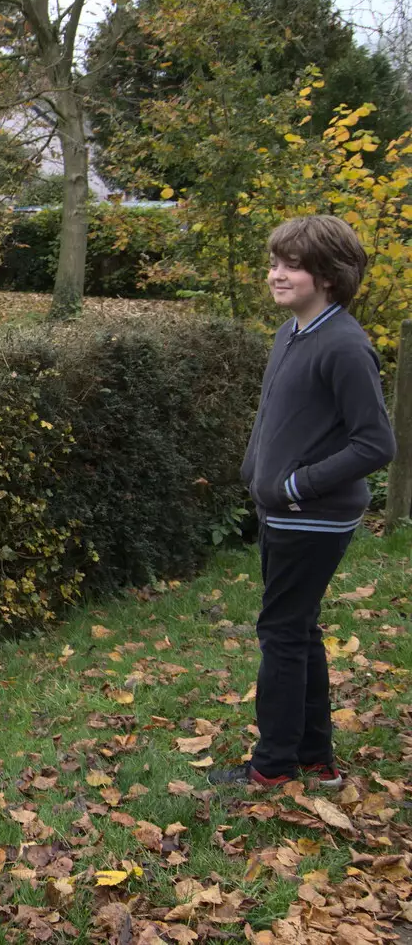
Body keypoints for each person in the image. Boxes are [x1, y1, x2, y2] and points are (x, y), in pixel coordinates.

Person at [212, 215, 396, 789]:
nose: (277, 273)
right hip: (282, 511)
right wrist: (254, 470)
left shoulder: (344, 346)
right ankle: (315, 760)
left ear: (330, 276)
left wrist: (294, 486)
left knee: (282, 633)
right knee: (298, 629)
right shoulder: (293, 332)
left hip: (311, 516)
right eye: (274, 262)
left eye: (293, 264)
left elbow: (376, 442)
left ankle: (272, 767)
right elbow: (275, 417)